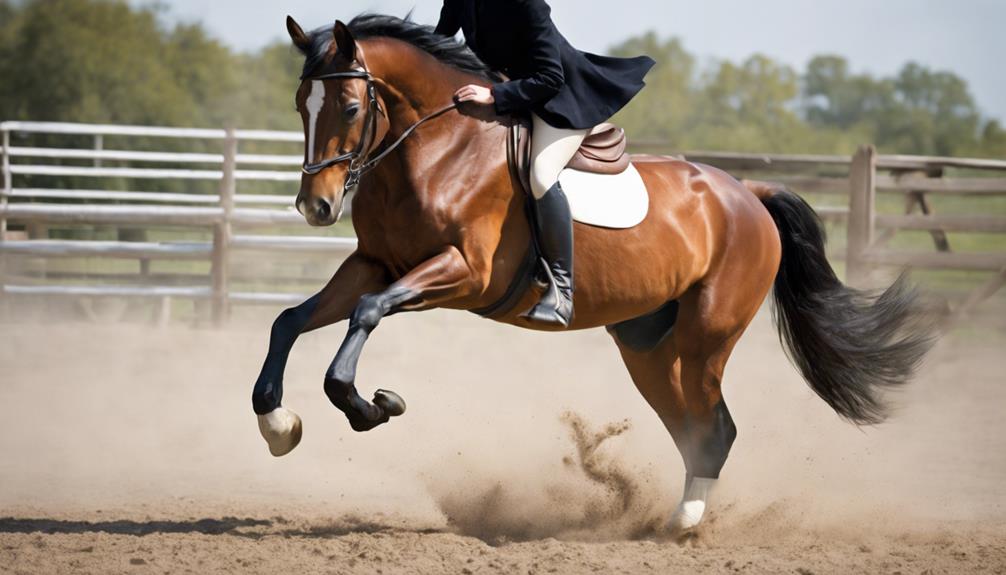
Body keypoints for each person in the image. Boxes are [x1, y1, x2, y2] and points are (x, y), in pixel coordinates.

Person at [435, 0, 654, 328]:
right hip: (507, 94)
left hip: (556, 99)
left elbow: (551, 76)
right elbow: (438, 43)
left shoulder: (527, 4)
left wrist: (495, 95)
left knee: (540, 174)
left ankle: (562, 291)